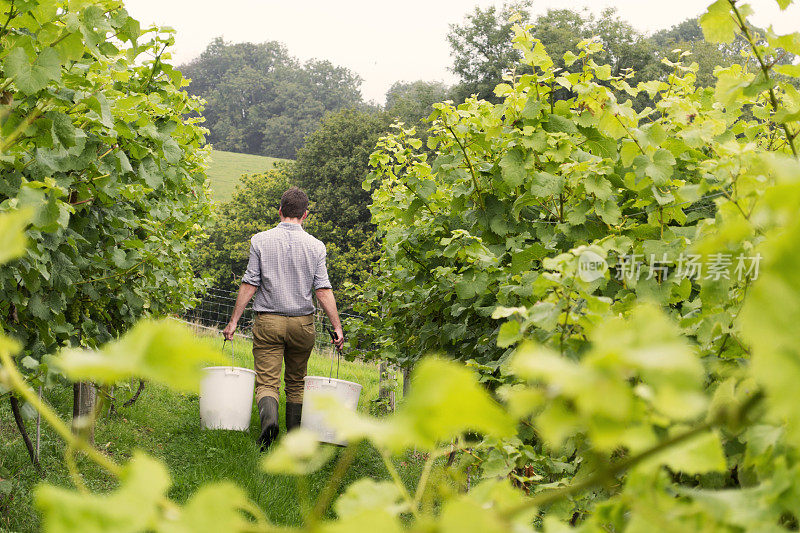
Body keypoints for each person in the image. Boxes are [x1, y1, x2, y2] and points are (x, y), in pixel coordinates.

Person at [223, 187, 344, 450]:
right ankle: (295, 441)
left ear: (280, 211)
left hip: (268, 322)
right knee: (296, 382)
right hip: (303, 324)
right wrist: (337, 327)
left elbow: (249, 283)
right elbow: (322, 290)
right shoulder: (316, 246)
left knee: (267, 381)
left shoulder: (260, 241)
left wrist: (233, 321)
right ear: (305, 215)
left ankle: (269, 423)